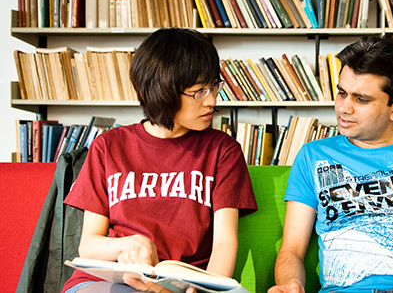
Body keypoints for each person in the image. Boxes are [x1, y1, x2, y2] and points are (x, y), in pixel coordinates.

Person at [268, 36, 393, 293]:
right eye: (341, 93)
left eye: (361, 99)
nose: (344, 107)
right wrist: (291, 285)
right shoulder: (312, 156)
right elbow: (291, 250)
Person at [61, 28, 258, 293]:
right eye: (199, 91)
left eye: (214, 86)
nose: (212, 100)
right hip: (110, 283)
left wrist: (206, 290)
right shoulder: (108, 146)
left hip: (181, 285)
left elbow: (224, 242)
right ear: (163, 90)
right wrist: (127, 245)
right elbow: (88, 245)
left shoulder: (223, 150)